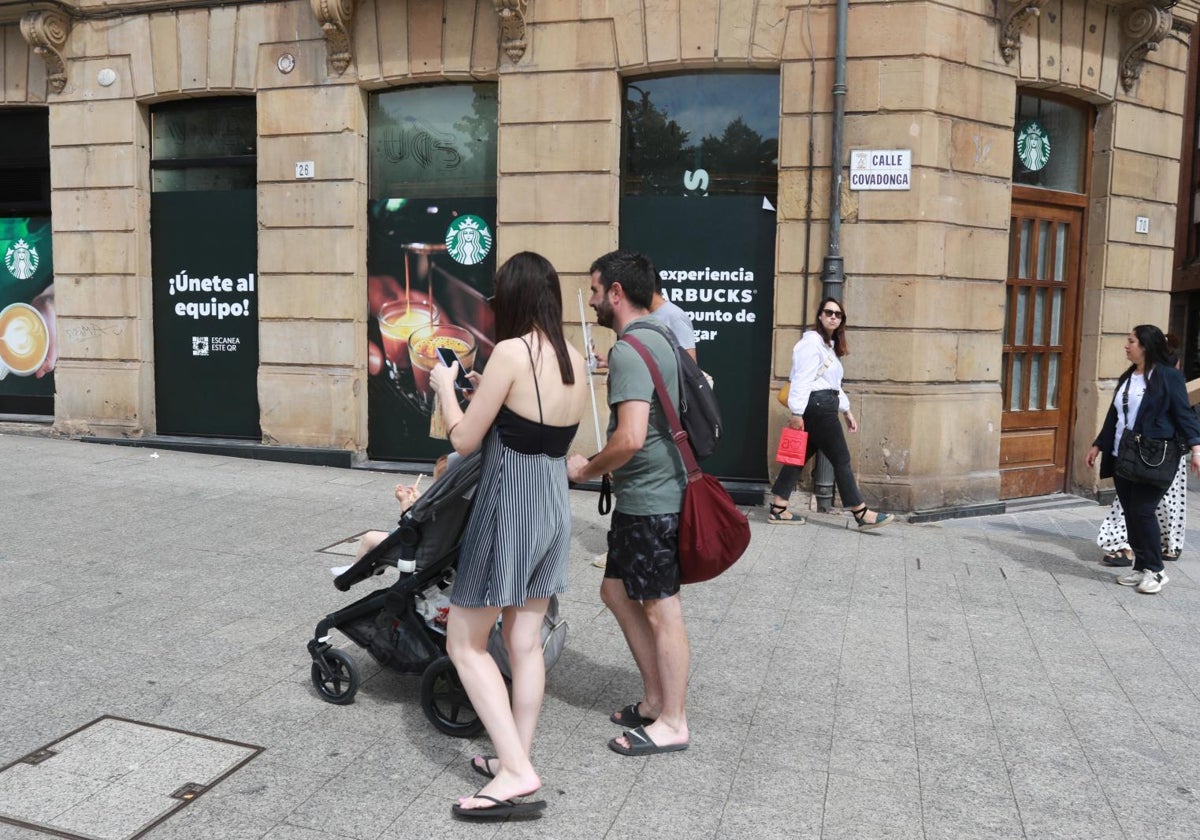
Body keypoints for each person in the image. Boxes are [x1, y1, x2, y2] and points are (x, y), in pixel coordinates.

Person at [428, 251, 586, 818]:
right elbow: (531, 425)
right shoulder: (572, 356)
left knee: (465, 642)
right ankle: (516, 753)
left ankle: (516, 770)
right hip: (551, 508)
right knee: (524, 642)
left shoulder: (512, 353)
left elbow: (464, 441)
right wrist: (481, 387)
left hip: (509, 508)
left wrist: (447, 385)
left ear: (512, 297)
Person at [567, 250, 691, 757]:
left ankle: (674, 721)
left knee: (662, 608)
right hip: (652, 494)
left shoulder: (628, 351)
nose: (592, 300)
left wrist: (587, 468)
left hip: (650, 499)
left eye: (596, 290)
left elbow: (631, 438)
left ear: (617, 292)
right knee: (616, 593)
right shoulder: (661, 335)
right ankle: (655, 698)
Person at [1086, 324, 1200, 594]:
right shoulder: (1129, 375)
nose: (1127, 346)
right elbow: (1115, 416)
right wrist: (1098, 444)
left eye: (1131, 341)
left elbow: (1185, 414)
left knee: (1143, 511)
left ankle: (1157, 571)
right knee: (1131, 514)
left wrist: (1197, 449)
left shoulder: (1167, 376)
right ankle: (1141, 567)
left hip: (1153, 456)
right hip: (1122, 455)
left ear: (1146, 346)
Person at [769, 297, 895, 529]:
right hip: (817, 407)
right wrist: (797, 412)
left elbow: (834, 385)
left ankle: (778, 507)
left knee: (797, 458)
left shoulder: (828, 346)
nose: (833, 317)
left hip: (824, 404)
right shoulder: (810, 344)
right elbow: (801, 379)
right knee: (841, 459)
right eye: (829, 312)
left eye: (838, 314)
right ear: (820, 315)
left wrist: (846, 410)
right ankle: (861, 513)